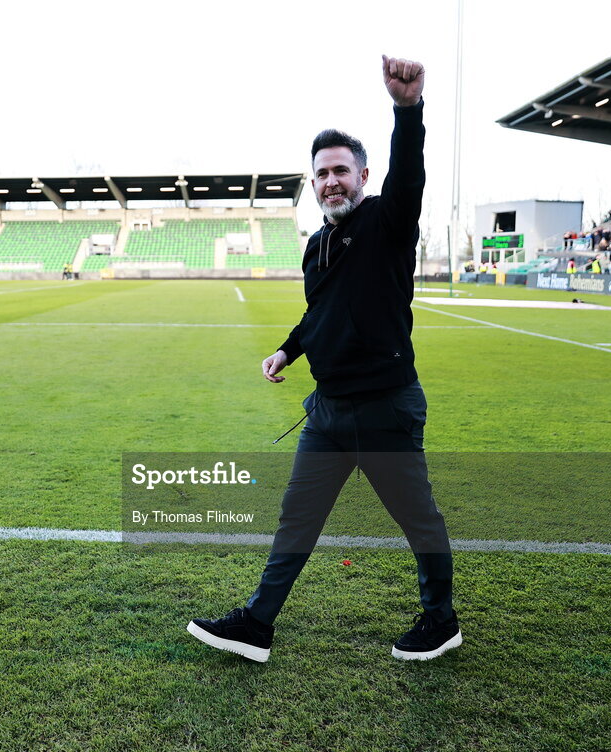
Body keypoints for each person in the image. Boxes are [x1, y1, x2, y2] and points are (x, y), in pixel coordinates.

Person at [188, 55, 459, 663]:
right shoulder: (317, 244)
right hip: (329, 414)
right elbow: (321, 314)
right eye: (321, 174)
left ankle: (441, 619)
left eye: (341, 170)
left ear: (363, 175)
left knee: (419, 521)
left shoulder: (388, 221)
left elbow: (410, 175)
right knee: (296, 520)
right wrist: (288, 348)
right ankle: (257, 624)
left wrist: (407, 109)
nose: (331, 181)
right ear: (311, 184)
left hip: (385, 408)